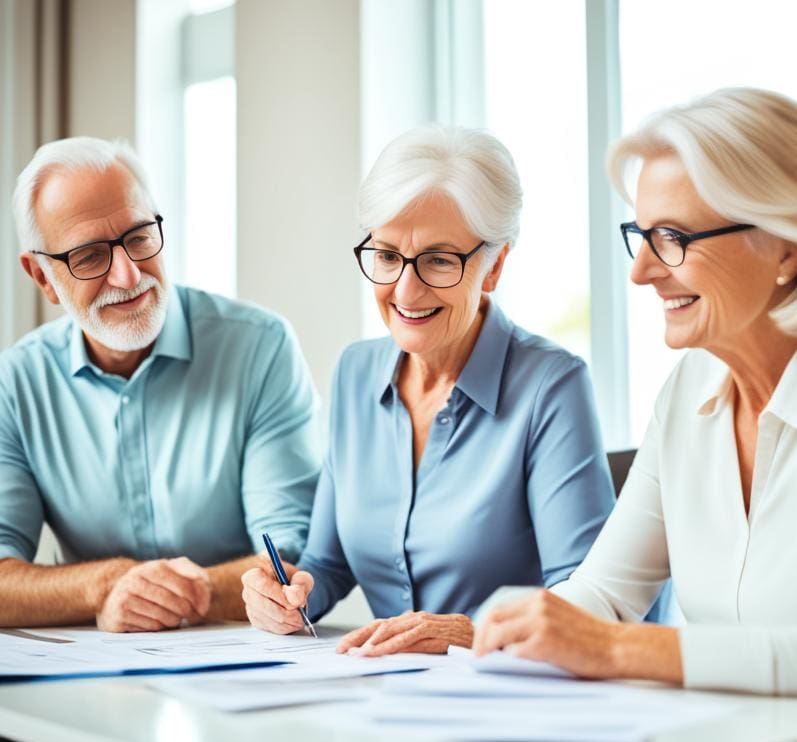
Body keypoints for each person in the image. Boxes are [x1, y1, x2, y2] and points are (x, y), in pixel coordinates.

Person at [473, 88, 797, 742]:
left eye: (673, 238)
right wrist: (488, 634)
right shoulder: (687, 394)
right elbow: (604, 594)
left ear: (787, 247)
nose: (642, 270)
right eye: (641, 236)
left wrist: (621, 650)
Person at [241, 125, 615, 655]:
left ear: (494, 266)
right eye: (388, 256)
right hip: (390, 693)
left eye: (439, 260)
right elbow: (327, 564)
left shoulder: (552, 386)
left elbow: (583, 596)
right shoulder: (355, 372)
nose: (406, 290)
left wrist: (468, 633)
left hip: (512, 698)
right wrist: (289, 595)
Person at [0, 137, 321, 632]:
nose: (128, 275)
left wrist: (171, 594)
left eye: (139, 237)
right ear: (41, 276)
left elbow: (290, 557)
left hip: (244, 670)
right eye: (88, 257)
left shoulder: (261, 347)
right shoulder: (17, 383)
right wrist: (104, 585)